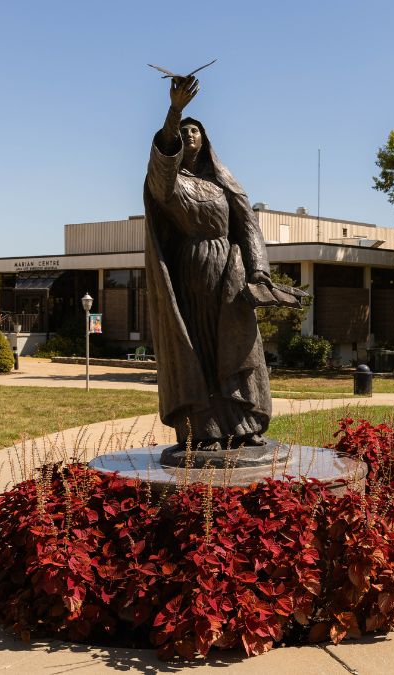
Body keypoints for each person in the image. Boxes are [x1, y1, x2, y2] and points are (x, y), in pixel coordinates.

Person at [143, 75, 274, 462]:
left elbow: (248, 224)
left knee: (237, 347)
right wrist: (174, 112)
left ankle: (244, 423)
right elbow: (162, 166)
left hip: (230, 273)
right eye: (185, 131)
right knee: (201, 347)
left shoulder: (222, 180)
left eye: (195, 130)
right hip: (195, 272)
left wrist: (259, 273)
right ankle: (205, 431)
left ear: (207, 139)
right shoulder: (172, 183)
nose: (190, 134)